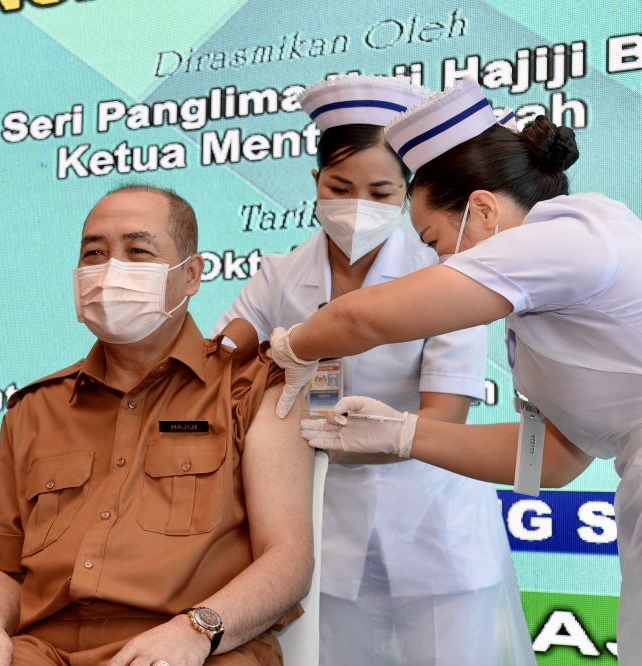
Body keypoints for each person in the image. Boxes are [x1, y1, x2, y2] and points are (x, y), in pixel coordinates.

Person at [270, 78, 642, 658]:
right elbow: (553, 462)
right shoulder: (537, 316)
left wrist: (295, 347)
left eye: (437, 240)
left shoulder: (577, 234)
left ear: (484, 209)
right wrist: (405, 435)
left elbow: (365, 320)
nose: (440, 260)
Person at [0, 185, 313, 666]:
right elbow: (4, 568)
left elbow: (288, 559)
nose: (110, 271)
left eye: (137, 251)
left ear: (191, 275)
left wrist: (196, 630)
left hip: (190, 645)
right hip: (44, 649)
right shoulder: (33, 409)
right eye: (94, 254)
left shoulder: (251, 388)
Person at [214, 75, 533, 665]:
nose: (358, 206)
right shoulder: (279, 276)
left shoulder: (447, 272)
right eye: (340, 186)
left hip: (434, 528)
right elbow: (219, 365)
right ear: (315, 184)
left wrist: (373, 434)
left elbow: (445, 417)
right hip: (326, 533)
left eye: (382, 193)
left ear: (408, 194)